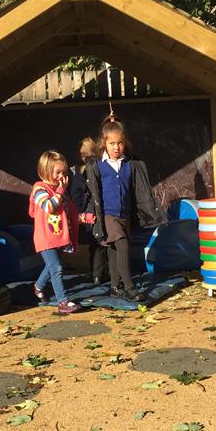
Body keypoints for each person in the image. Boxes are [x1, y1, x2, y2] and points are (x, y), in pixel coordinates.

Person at [85, 114, 166, 302]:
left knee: (114, 250)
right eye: (112, 143)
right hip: (108, 215)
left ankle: (114, 286)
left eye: (120, 143)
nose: (116, 147)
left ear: (125, 142)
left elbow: (140, 190)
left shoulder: (131, 164)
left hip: (125, 214)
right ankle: (130, 288)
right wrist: (91, 213)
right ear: (104, 143)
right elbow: (92, 193)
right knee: (122, 244)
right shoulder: (98, 165)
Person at [29, 150, 88, 314]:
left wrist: (83, 217)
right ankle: (63, 302)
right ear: (46, 171)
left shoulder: (60, 191)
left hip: (58, 237)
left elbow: (68, 214)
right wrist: (61, 190)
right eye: (58, 172)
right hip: (45, 238)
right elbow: (49, 207)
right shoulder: (39, 188)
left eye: (64, 172)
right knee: (57, 268)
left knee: (51, 267)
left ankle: (38, 286)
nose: (62, 176)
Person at [68, 137, 108, 284]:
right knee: (101, 244)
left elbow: (75, 196)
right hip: (100, 212)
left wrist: (79, 214)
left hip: (88, 214)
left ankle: (96, 274)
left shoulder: (79, 173)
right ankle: (100, 273)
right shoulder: (101, 167)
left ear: (81, 155)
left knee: (95, 245)